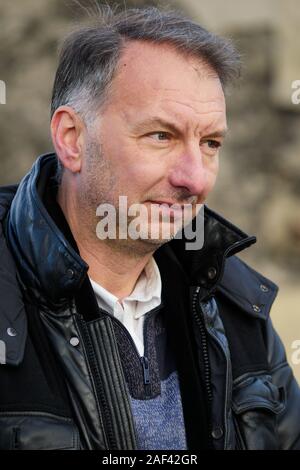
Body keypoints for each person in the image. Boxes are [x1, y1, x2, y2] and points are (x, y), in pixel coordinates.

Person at [0, 6, 299, 451]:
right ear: (71, 139)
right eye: (161, 136)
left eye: (210, 143)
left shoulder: (236, 307)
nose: (194, 178)